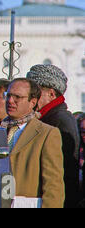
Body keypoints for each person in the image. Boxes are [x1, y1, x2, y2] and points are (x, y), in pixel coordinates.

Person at [2, 78, 64, 208]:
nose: (10, 101)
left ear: (32, 102)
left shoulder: (47, 134)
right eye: (8, 95)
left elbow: (53, 185)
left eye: (17, 97)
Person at [26, 64, 80, 208]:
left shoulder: (58, 120)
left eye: (35, 92)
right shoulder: (50, 117)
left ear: (51, 94)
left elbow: (62, 170)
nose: (31, 98)